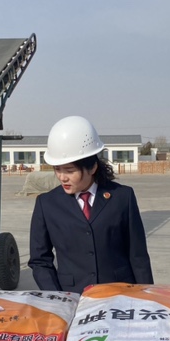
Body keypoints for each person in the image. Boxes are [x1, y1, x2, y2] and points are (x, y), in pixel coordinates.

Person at [28, 115, 153, 293]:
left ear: (92, 167)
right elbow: (40, 261)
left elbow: (138, 255)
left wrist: (146, 296)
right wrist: (58, 297)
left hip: (119, 293)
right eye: (57, 169)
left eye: (69, 170)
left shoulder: (122, 198)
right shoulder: (46, 204)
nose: (62, 177)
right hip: (72, 296)